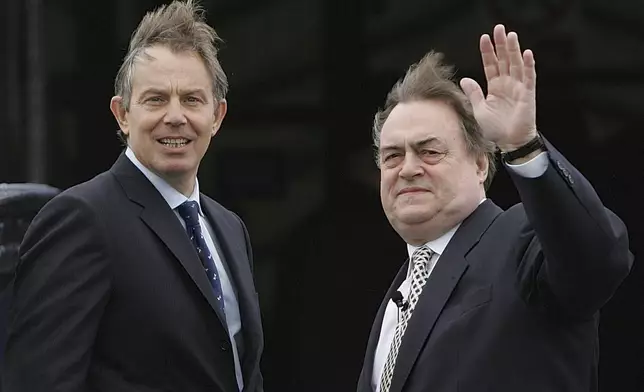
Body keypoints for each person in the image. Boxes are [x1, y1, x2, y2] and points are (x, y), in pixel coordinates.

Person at [3, 1, 264, 391]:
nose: (175, 116)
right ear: (122, 114)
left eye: (192, 99)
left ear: (217, 116)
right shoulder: (82, 218)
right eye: (155, 99)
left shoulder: (229, 228)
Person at [357, 24, 633, 392]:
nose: (408, 168)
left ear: (480, 164)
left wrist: (523, 147)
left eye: (430, 151)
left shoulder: (520, 240)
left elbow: (599, 261)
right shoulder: (398, 296)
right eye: (393, 156)